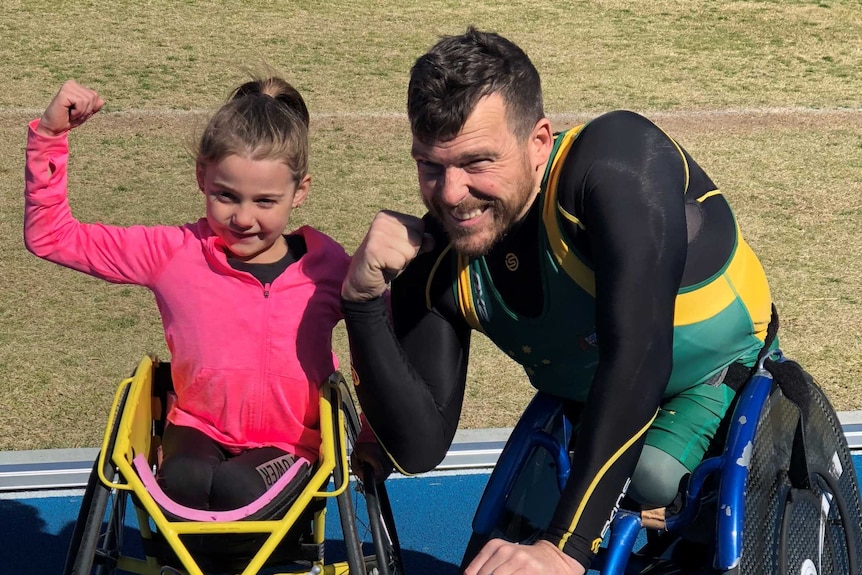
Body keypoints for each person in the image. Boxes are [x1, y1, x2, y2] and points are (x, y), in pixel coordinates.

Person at [341, 27, 774, 574]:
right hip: (587, 399)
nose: (451, 194)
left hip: (709, 376)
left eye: (477, 163)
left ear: (539, 141)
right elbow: (419, 447)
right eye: (431, 166)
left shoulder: (617, 165)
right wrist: (361, 301)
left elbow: (638, 359)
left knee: (654, 477)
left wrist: (563, 547)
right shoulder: (434, 255)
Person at [24, 77, 350, 511]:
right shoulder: (173, 254)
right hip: (196, 430)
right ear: (201, 176)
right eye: (226, 196)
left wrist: (368, 436)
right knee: (182, 480)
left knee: (239, 489)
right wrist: (50, 136)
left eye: (265, 201)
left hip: (291, 446)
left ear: (300, 191)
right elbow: (51, 236)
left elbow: (383, 338)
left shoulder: (326, 266)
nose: (243, 218)